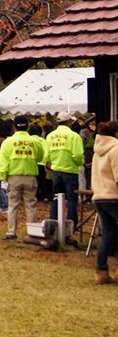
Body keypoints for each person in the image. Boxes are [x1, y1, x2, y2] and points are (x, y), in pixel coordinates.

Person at [0, 116, 43, 241]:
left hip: (14, 176)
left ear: (14, 126)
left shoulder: (8, 142)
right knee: (31, 205)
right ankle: (32, 233)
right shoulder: (35, 142)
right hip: (30, 176)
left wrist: (3, 178)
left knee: (13, 205)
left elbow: (3, 162)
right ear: (27, 126)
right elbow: (40, 157)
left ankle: (11, 232)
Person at [47, 112, 85, 230]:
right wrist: (79, 164)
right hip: (70, 171)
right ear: (68, 122)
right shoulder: (74, 136)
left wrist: (53, 164)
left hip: (56, 170)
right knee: (71, 199)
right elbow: (78, 154)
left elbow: (47, 155)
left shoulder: (50, 136)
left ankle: (53, 224)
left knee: (56, 198)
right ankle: (71, 225)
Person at [91, 121, 118, 284]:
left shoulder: (97, 151)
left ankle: (102, 270)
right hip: (114, 196)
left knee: (108, 234)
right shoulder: (116, 149)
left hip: (99, 196)